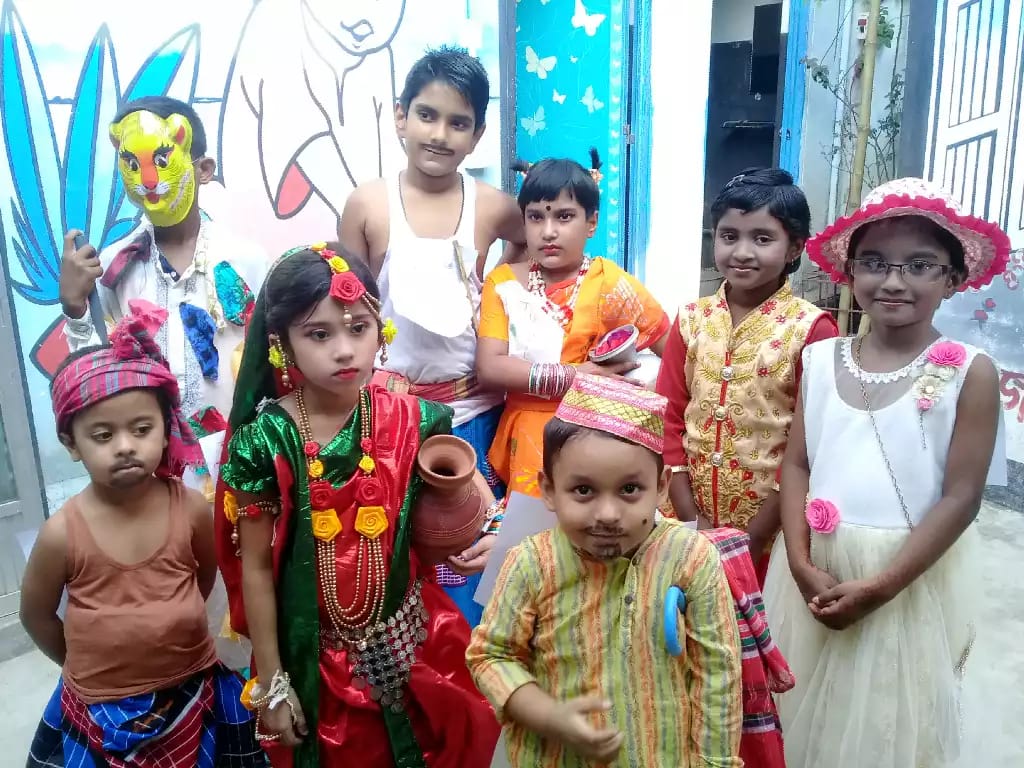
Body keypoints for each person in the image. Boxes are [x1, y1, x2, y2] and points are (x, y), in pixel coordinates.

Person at [214, 244, 500, 768]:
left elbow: (468, 476)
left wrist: (491, 525)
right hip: (317, 662)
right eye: (319, 334)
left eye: (358, 328)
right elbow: (254, 567)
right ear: (280, 343)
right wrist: (273, 681)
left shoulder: (409, 416)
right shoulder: (266, 441)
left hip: (417, 641)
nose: (344, 350)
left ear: (380, 330)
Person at [762, 178, 1008, 768]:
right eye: (874, 262)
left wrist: (882, 586)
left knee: (889, 717)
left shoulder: (970, 373)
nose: (893, 281)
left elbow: (962, 497)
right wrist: (798, 561)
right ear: (850, 273)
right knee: (805, 708)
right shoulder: (820, 359)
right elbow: (798, 462)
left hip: (904, 575)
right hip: (817, 564)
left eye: (920, 265)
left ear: (953, 278)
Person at [58, 95, 269, 667]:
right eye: (133, 164)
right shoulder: (116, 268)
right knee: (175, 599)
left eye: (164, 160)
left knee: (243, 599)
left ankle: (247, 696)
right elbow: (98, 376)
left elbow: (272, 367)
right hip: (153, 475)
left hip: (239, 463)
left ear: (203, 168)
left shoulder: (248, 260)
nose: (149, 180)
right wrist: (76, 307)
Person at [20, 315, 263, 768]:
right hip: (99, 707)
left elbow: (203, 580)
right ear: (70, 443)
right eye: (103, 435)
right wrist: (84, 664)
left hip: (192, 689)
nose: (125, 446)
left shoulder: (191, 509)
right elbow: (35, 615)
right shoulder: (62, 533)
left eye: (141, 429)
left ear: (166, 428)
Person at [467, 374, 743, 767]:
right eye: (584, 490)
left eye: (630, 489)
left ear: (661, 486)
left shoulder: (691, 557)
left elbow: (718, 675)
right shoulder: (531, 562)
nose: (608, 514)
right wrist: (549, 716)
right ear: (549, 489)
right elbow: (491, 656)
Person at [338, 46, 525, 623]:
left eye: (458, 122)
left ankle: (476, 664)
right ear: (400, 117)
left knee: (472, 563)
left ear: (478, 134)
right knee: (396, 565)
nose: (440, 134)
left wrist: (498, 294)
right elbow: (348, 307)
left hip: (475, 415)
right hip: (389, 420)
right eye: (426, 115)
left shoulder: (492, 207)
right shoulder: (367, 205)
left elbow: (528, 252)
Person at [655, 168, 838, 581]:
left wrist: (754, 536)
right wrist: (691, 519)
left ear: (795, 248)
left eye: (762, 238)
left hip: (771, 531)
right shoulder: (691, 319)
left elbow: (811, 446)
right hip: (685, 517)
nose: (741, 252)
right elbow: (667, 417)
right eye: (729, 236)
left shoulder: (811, 329)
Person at [476, 151, 670, 501]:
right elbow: (490, 367)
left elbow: (673, 351)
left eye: (564, 216)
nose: (548, 231)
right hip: (529, 435)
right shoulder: (502, 283)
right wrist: (578, 377)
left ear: (591, 223)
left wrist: (641, 396)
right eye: (536, 217)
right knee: (534, 530)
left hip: (600, 435)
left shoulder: (610, 283)